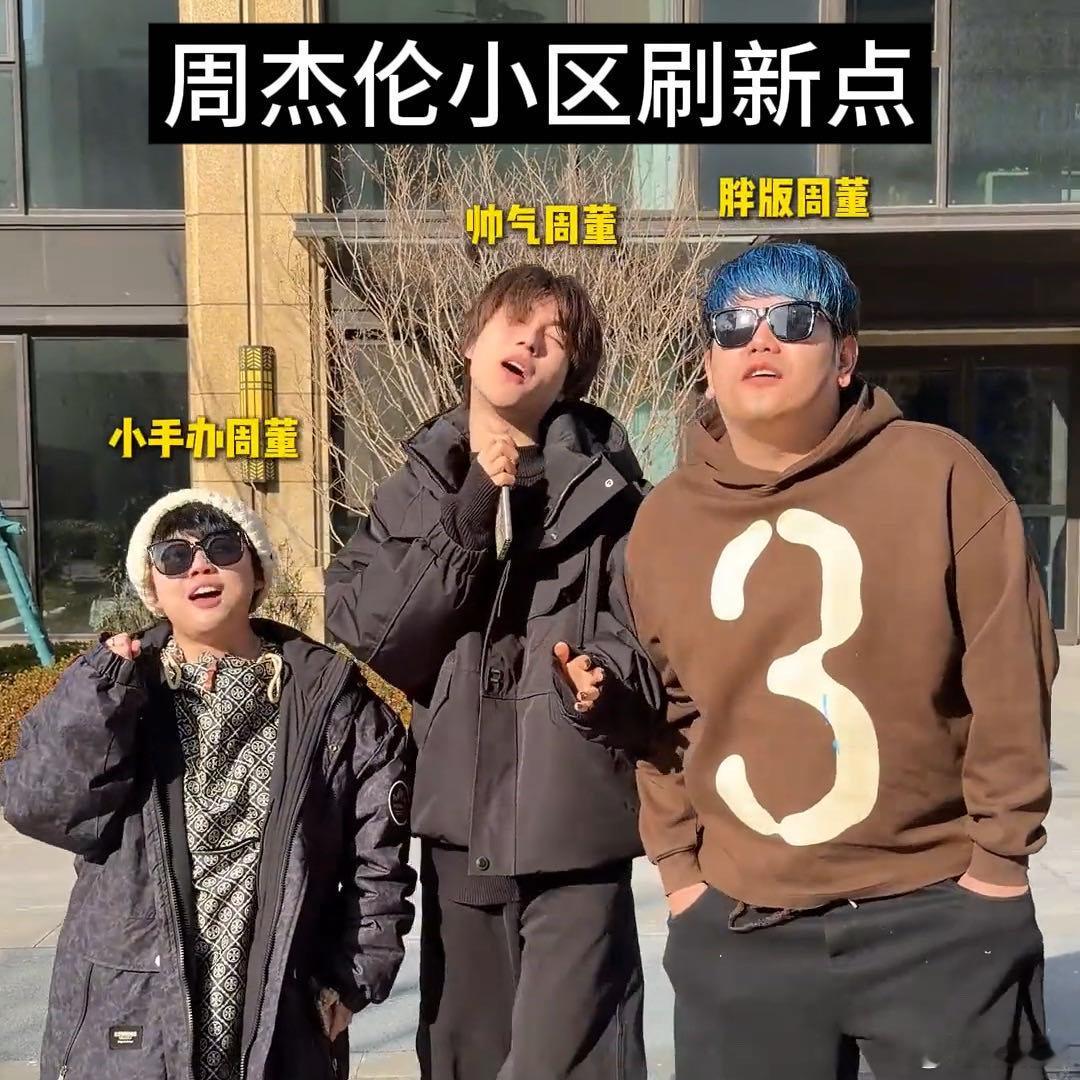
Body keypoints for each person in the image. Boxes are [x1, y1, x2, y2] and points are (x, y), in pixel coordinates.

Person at [624, 241, 1058, 1080]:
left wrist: (1000, 868)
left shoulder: (940, 473)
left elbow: (1011, 674)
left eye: (795, 321)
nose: (761, 339)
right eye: (732, 325)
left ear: (845, 356)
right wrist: (681, 876)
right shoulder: (664, 521)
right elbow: (662, 711)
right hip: (742, 929)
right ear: (708, 363)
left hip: (936, 913)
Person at [325, 263, 662, 1080]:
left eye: (555, 338)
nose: (531, 343)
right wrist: (469, 514)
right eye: (516, 322)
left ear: (571, 376)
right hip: (460, 826)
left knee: (578, 1061)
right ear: (470, 342)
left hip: (575, 824)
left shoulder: (613, 499)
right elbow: (374, 632)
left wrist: (604, 679)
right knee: (466, 1060)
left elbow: (652, 636)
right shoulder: (412, 490)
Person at [2, 489, 415, 1080]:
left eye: (222, 548)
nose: (199, 566)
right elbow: (39, 805)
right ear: (153, 585)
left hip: (277, 1007)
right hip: (130, 1012)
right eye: (174, 557)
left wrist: (351, 980)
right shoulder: (117, 688)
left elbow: (379, 864)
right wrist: (100, 694)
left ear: (257, 570)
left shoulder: (335, 703)